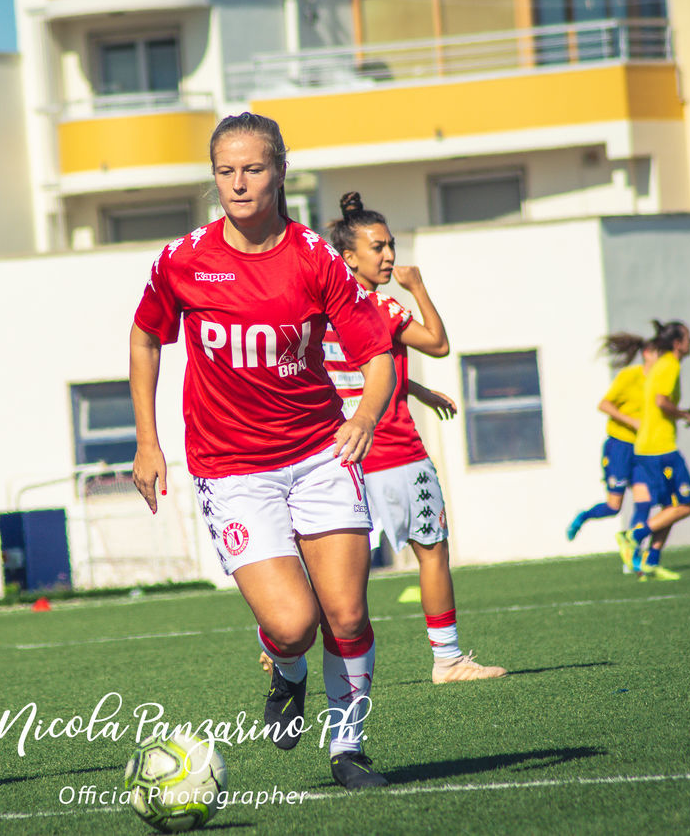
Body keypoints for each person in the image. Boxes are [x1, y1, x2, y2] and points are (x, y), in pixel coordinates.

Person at [130, 114, 396, 789]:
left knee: (348, 612)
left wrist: (364, 413)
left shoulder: (315, 257)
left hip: (317, 456)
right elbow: (144, 336)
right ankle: (286, 667)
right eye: (226, 170)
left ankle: (348, 747)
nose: (239, 183)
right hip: (234, 471)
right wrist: (148, 440)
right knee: (294, 623)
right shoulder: (183, 259)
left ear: (279, 171)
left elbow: (377, 356)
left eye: (253, 168)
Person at [323, 191, 505, 684]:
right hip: (394, 452)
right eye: (378, 247)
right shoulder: (380, 306)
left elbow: (359, 369)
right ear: (349, 257)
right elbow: (439, 344)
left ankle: (285, 647)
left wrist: (416, 388)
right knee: (432, 551)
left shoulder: (319, 309)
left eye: (391, 246)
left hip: (338, 458)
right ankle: (447, 660)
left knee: (337, 570)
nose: (389, 256)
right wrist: (417, 288)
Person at [614, 320, 690, 580]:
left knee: (671, 506)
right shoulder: (669, 365)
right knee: (688, 504)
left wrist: (685, 416)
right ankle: (631, 536)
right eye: (688, 338)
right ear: (678, 343)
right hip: (660, 448)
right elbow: (661, 402)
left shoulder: (662, 365)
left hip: (649, 446)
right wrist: (687, 413)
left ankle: (651, 561)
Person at [566, 334, 659, 555]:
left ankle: (634, 553)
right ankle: (584, 516)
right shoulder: (629, 377)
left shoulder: (660, 381)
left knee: (644, 503)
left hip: (642, 450)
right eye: (660, 354)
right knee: (613, 507)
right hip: (620, 447)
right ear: (647, 354)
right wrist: (631, 421)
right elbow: (604, 404)